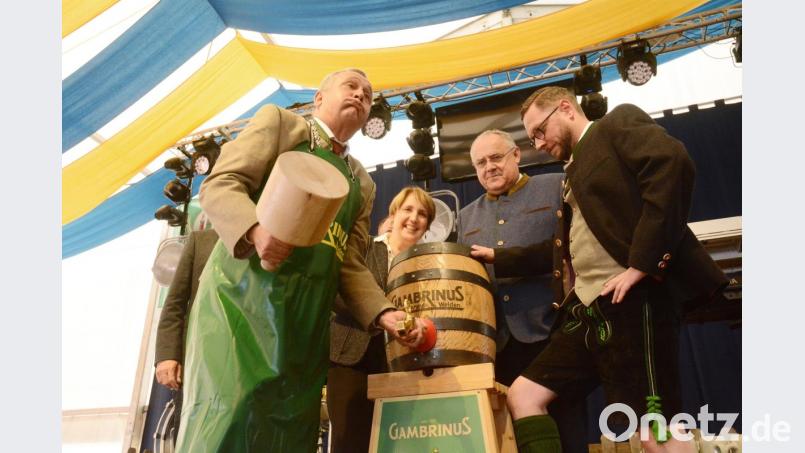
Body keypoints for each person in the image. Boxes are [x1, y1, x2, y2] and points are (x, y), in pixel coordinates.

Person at [175, 69, 424, 452]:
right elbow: (219, 184)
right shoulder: (280, 124)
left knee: (288, 435)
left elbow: (349, 263)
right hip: (240, 310)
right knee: (228, 423)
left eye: (369, 95)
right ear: (319, 99)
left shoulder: (363, 183)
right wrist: (256, 233)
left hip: (303, 331)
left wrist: (382, 313)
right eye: (351, 87)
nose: (360, 96)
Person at [471, 86, 727, 452]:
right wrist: (500, 258)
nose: (538, 144)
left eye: (540, 132)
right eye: (532, 138)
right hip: (587, 309)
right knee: (524, 396)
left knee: (654, 428)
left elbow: (673, 162)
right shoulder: (572, 171)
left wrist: (643, 263)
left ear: (565, 109)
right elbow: (566, 248)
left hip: (634, 301)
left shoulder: (615, 124)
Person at [458, 130, 586, 453]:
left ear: (516, 155)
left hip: (552, 332)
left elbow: (571, 249)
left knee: (568, 432)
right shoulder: (465, 216)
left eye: (496, 158)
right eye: (480, 163)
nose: (489, 167)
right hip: (497, 348)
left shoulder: (557, 186)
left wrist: (501, 259)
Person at [328, 186, 435, 453]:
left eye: (422, 214)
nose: (414, 218)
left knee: (393, 443)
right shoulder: (364, 246)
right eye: (408, 209)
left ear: (428, 225)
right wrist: (379, 314)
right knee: (349, 441)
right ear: (394, 213)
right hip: (351, 357)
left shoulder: (427, 265)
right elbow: (337, 292)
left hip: (400, 364)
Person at [154, 228, 219, 392]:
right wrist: (167, 354)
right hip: (199, 358)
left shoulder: (279, 236)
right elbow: (176, 301)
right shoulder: (201, 241)